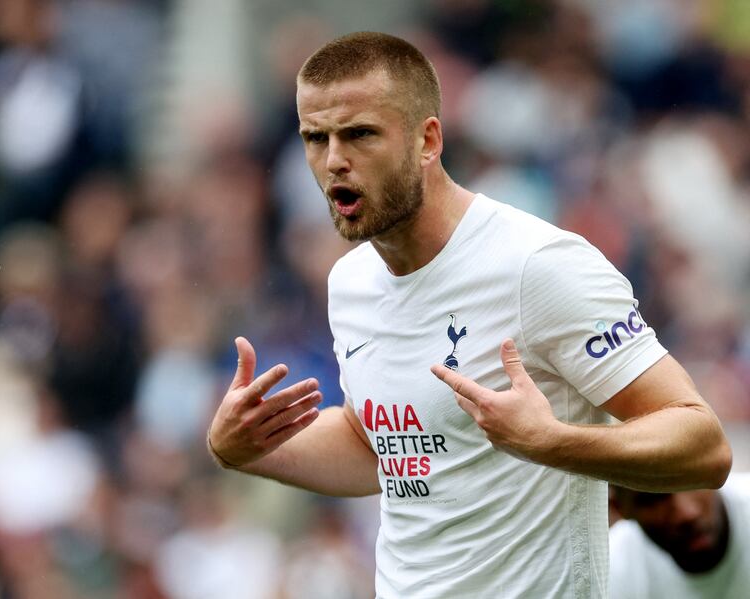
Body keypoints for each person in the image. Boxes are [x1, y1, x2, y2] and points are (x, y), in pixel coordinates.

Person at [206, 32, 732, 598]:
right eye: (316, 137)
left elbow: (702, 445)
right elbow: (380, 451)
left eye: (359, 134)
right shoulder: (350, 282)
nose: (334, 161)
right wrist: (247, 451)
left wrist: (552, 442)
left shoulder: (539, 265)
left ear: (427, 139)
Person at [609, 474, 750, 598]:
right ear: (619, 507)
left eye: (694, 481)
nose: (687, 514)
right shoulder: (613, 569)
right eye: (653, 497)